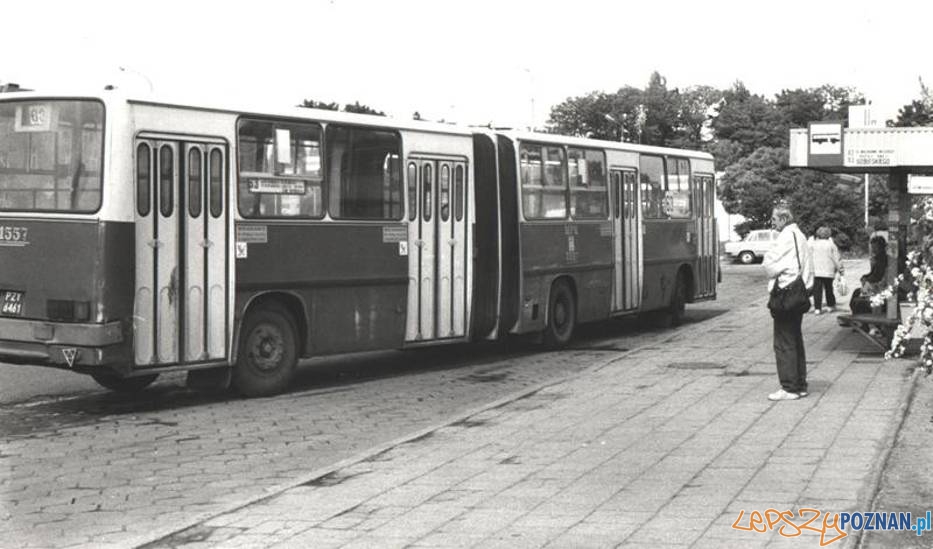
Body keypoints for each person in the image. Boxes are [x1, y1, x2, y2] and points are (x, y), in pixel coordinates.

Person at [763, 204, 813, 401]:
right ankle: (800, 384)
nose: (772, 223)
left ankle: (789, 387)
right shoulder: (800, 235)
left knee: (784, 342)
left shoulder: (785, 237)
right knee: (795, 339)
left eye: (774, 219)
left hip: (786, 294)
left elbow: (770, 265)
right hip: (800, 292)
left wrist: (768, 259)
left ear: (784, 219)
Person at [849, 235, 888, 315]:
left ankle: (858, 315)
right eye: (872, 247)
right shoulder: (877, 258)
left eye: (875, 247)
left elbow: (878, 276)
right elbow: (873, 273)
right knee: (856, 292)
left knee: (858, 298)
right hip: (873, 283)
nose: (873, 249)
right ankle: (855, 314)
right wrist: (865, 277)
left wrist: (867, 279)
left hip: (877, 286)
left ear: (881, 247)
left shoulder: (882, 259)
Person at [810, 226, 844, 314]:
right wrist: (840, 269)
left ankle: (817, 308)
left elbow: (809, 257)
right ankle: (830, 306)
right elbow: (836, 258)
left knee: (817, 290)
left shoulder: (813, 244)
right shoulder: (831, 245)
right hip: (829, 270)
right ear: (828, 234)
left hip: (817, 271)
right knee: (829, 288)